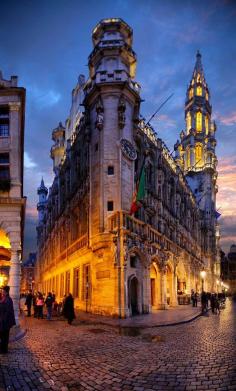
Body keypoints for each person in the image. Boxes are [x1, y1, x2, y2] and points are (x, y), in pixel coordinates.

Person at [0, 286, 16, 354]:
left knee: (4, 336)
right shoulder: (5, 298)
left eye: (3, 291)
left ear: (6, 292)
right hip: (3, 320)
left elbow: (8, 311)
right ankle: (3, 349)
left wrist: (3, 320)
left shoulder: (8, 299)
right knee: (4, 336)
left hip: (5, 321)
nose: (2, 292)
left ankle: (4, 350)